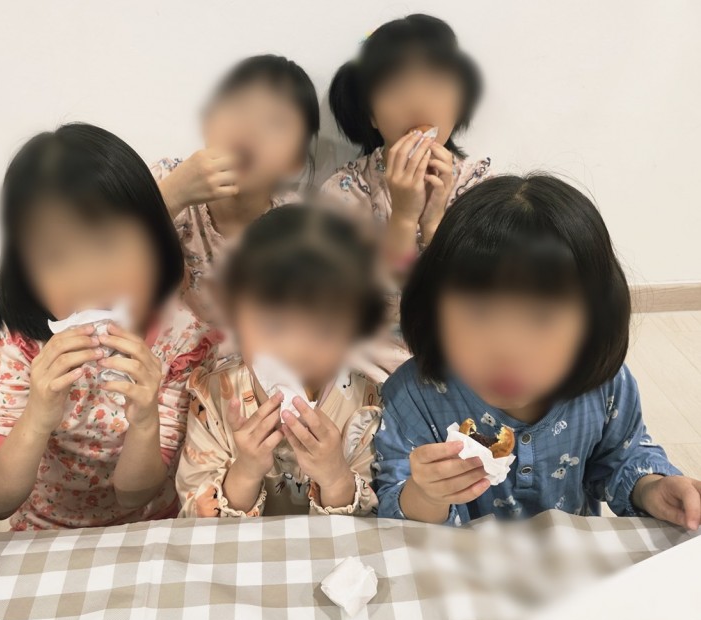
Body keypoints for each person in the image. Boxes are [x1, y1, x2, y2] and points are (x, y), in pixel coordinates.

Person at [374, 174, 701, 530]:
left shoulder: (604, 387)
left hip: (571, 557)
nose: (508, 350)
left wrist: (652, 488)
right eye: (478, 313)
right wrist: (427, 495)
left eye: (542, 318)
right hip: (455, 561)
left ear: (593, 322)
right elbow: (394, 511)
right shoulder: (414, 395)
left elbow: (621, 459)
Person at [0, 123, 218, 530]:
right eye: (55, 257)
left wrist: (145, 420)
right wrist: (37, 416)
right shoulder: (20, 343)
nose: (89, 279)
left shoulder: (183, 339)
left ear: (155, 242)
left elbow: (134, 495)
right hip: (44, 526)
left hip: (150, 524)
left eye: (107, 245)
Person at [176, 205, 384, 517]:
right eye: (272, 326)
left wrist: (335, 477)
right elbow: (194, 519)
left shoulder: (363, 405)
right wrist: (245, 471)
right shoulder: (215, 397)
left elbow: (371, 527)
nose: (294, 350)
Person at [322, 15, 492, 383]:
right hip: (367, 367)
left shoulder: (480, 189)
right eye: (396, 87)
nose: (418, 102)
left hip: (460, 362)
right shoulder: (344, 192)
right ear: (370, 113)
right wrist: (402, 217)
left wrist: (432, 225)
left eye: (436, 84)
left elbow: (477, 303)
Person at [152, 55, 320, 326]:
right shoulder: (166, 178)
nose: (250, 130)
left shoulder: (300, 225)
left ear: (295, 160)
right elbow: (103, 264)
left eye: (276, 122)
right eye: (238, 108)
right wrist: (171, 196)